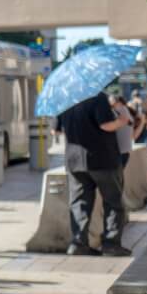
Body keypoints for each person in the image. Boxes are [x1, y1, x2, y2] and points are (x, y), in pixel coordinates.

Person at [57, 92, 129, 256]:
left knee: (79, 203)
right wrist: (122, 119)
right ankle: (111, 245)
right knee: (113, 202)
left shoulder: (65, 99)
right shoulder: (98, 96)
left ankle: (78, 244)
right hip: (102, 159)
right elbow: (106, 125)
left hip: (74, 160)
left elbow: (57, 130)